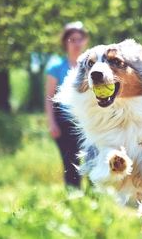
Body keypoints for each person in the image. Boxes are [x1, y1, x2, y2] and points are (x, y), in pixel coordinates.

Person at [45, 21, 89, 188]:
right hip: (65, 122)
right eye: (72, 40)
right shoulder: (56, 67)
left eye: (80, 39)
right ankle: (74, 200)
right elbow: (49, 97)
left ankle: (95, 200)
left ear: (85, 41)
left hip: (88, 121)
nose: (76, 44)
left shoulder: (91, 66)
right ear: (65, 42)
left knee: (93, 160)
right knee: (71, 164)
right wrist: (52, 123)